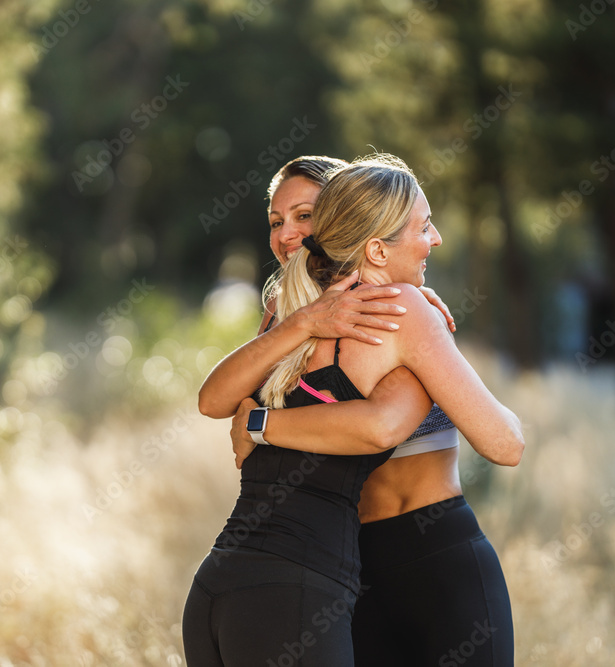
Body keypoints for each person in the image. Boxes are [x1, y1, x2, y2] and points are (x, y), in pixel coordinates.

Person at [183, 154, 523, 666]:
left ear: (349, 222)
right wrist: (298, 333)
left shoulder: (405, 307)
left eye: (306, 216)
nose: (289, 235)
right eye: (277, 221)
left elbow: (383, 427)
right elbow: (223, 401)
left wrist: (260, 425)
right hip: (345, 563)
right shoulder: (290, 310)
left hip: (429, 549)